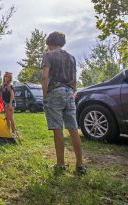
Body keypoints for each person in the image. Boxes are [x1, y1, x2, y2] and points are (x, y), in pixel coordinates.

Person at [41, 31, 87, 175]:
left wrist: (45, 95)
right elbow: (74, 79)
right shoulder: (71, 58)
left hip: (55, 91)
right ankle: (80, 164)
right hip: (69, 93)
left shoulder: (48, 55)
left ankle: (61, 164)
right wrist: (73, 92)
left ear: (49, 42)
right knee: (73, 129)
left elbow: (44, 77)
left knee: (57, 129)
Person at [0, 72, 18, 137]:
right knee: (7, 118)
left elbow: (12, 96)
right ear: (4, 77)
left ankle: (14, 133)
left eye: (8, 77)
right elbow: (1, 96)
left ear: (10, 79)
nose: (6, 78)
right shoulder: (2, 86)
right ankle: (8, 132)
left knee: (10, 118)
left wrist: (10, 104)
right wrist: (2, 104)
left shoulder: (10, 86)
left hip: (11, 103)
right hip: (5, 103)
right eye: (6, 76)